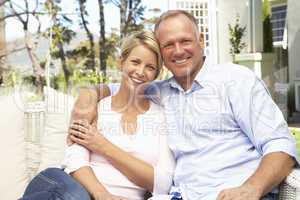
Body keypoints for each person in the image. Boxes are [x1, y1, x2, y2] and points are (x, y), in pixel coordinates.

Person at [70, 10, 299, 200]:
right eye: (168, 45)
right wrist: (88, 95)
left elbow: (280, 145)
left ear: (200, 41)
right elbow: (126, 84)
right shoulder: (160, 92)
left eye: (185, 41)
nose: (178, 51)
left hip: (233, 193)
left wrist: (252, 188)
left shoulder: (235, 80)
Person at [20, 30, 175, 200]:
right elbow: (75, 160)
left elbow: (162, 182)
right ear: (121, 63)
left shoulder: (161, 117)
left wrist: (102, 146)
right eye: (135, 62)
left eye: (150, 67)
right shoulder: (95, 107)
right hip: (69, 188)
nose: (140, 71)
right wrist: (102, 195)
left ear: (157, 74)